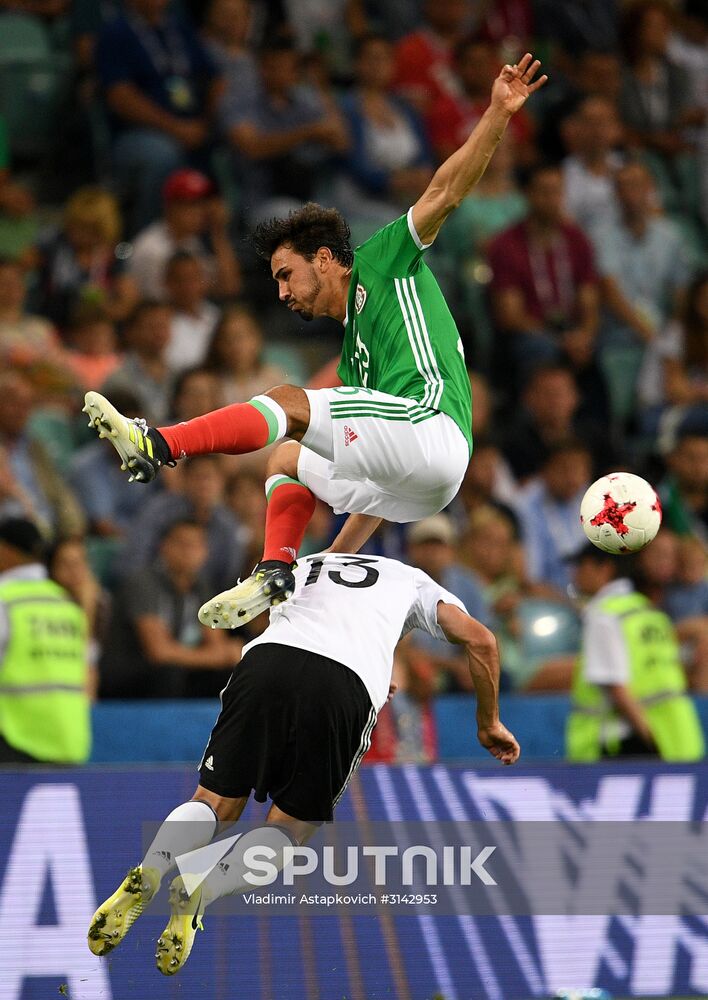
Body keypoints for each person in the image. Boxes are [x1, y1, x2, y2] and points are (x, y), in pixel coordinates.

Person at [83, 53, 548, 627]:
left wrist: (498, 113)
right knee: (289, 456)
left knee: (290, 402)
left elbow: (447, 189)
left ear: (325, 259)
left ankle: (159, 444)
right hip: (427, 487)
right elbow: (376, 483)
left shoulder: (383, 259)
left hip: (434, 428)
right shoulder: (355, 358)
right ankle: (277, 569)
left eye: (286, 274)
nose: (281, 293)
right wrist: (333, 560)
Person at [87, 550, 520, 973]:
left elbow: (254, 612)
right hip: (342, 684)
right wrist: (488, 723)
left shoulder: (305, 561)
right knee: (289, 828)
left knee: (215, 800)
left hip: (265, 661)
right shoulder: (415, 581)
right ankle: (201, 887)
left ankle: (154, 866)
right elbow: (481, 640)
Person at [566, 543, 705, 762]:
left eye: (582, 566)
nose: (575, 574)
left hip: (625, 741)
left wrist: (651, 741)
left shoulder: (603, 615)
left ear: (605, 568)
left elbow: (616, 687)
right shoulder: (649, 612)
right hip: (676, 733)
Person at [96, 0, 224, 233]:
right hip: (136, 134)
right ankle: (154, 238)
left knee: (233, 139)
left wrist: (205, 121)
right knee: (163, 154)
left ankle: (221, 238)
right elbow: (120, 97)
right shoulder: (116, 33)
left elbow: (217, 79)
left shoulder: (180, 28)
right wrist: (176, 128)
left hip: (192, 126)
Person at [99, 519, 240, 699]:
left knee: (230, 675)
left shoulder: (202, 588)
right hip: (129, 671)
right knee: (169, 673)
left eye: (196, 545)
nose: (188, 552)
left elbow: (217, 643)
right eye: (182, 544)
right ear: (163, 547)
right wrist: (219, 656)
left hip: (176, 668)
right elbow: (158, 652)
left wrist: (222, 656)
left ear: (205, 552)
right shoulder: (143, 583)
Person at [486, 163, 599, 382]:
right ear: (527, 195)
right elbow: (510, 315)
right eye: (544, 192)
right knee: (540, 349)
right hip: (533, 333)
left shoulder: (577, 240)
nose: (552, 199)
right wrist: (560, 340)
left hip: (573, 331)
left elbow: (590, 301)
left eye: (557, 191)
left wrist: (585, 335)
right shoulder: (507, 245)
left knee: (604, 349)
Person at [0, 517, 91, 764]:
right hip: (68, 740)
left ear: (5, 550)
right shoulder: (68, 606)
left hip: (14, 740)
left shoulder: (5, 600)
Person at [128, 168, 240, 301]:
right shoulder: (150, 248)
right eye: (192, 204)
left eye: (202, 204)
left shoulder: (191, 243)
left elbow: (229, 287)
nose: (202, 212)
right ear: (170, 207)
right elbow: (159, 306)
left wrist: (218, 231)